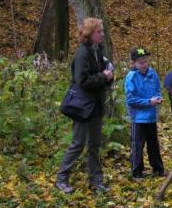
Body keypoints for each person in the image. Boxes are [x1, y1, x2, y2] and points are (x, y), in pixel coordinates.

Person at [55, 18, 113, 194]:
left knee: (94, 144)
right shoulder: (82, 54)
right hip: (82, 106)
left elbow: (102, 74)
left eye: (102, 31)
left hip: (95, 105)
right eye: (99, 31)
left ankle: (96, 181)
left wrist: (108, 74)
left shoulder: (97, 50)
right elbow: (82, 80)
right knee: (78, 143)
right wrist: (104, 76)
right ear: (90, 33)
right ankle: (61, 179)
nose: (102, 34)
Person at [125, 47, 165, 179]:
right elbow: (131, 100)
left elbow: (157, 89)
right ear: (134, 63)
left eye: (145, 61)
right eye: (141, 62)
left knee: (153, 144)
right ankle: (136, 171)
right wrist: (148, 102)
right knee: (138, 145)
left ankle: (158, 169)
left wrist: (157, 99)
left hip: (151, 116)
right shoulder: (131, 77)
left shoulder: (152, 73)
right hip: (138, 118)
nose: (144, 64)